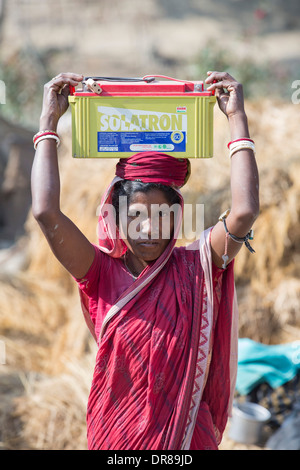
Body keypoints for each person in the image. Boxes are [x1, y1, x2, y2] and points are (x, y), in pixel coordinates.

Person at [31, 71, 259, 450]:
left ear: (178, 217)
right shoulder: (100, 274)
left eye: (162, 216)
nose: (149, 228)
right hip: (115, 441)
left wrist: (237, 118)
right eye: (136, 216)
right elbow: (44, 212)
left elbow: (244, 211)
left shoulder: (196, 268)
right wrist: (48, 124)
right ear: (116, 218)